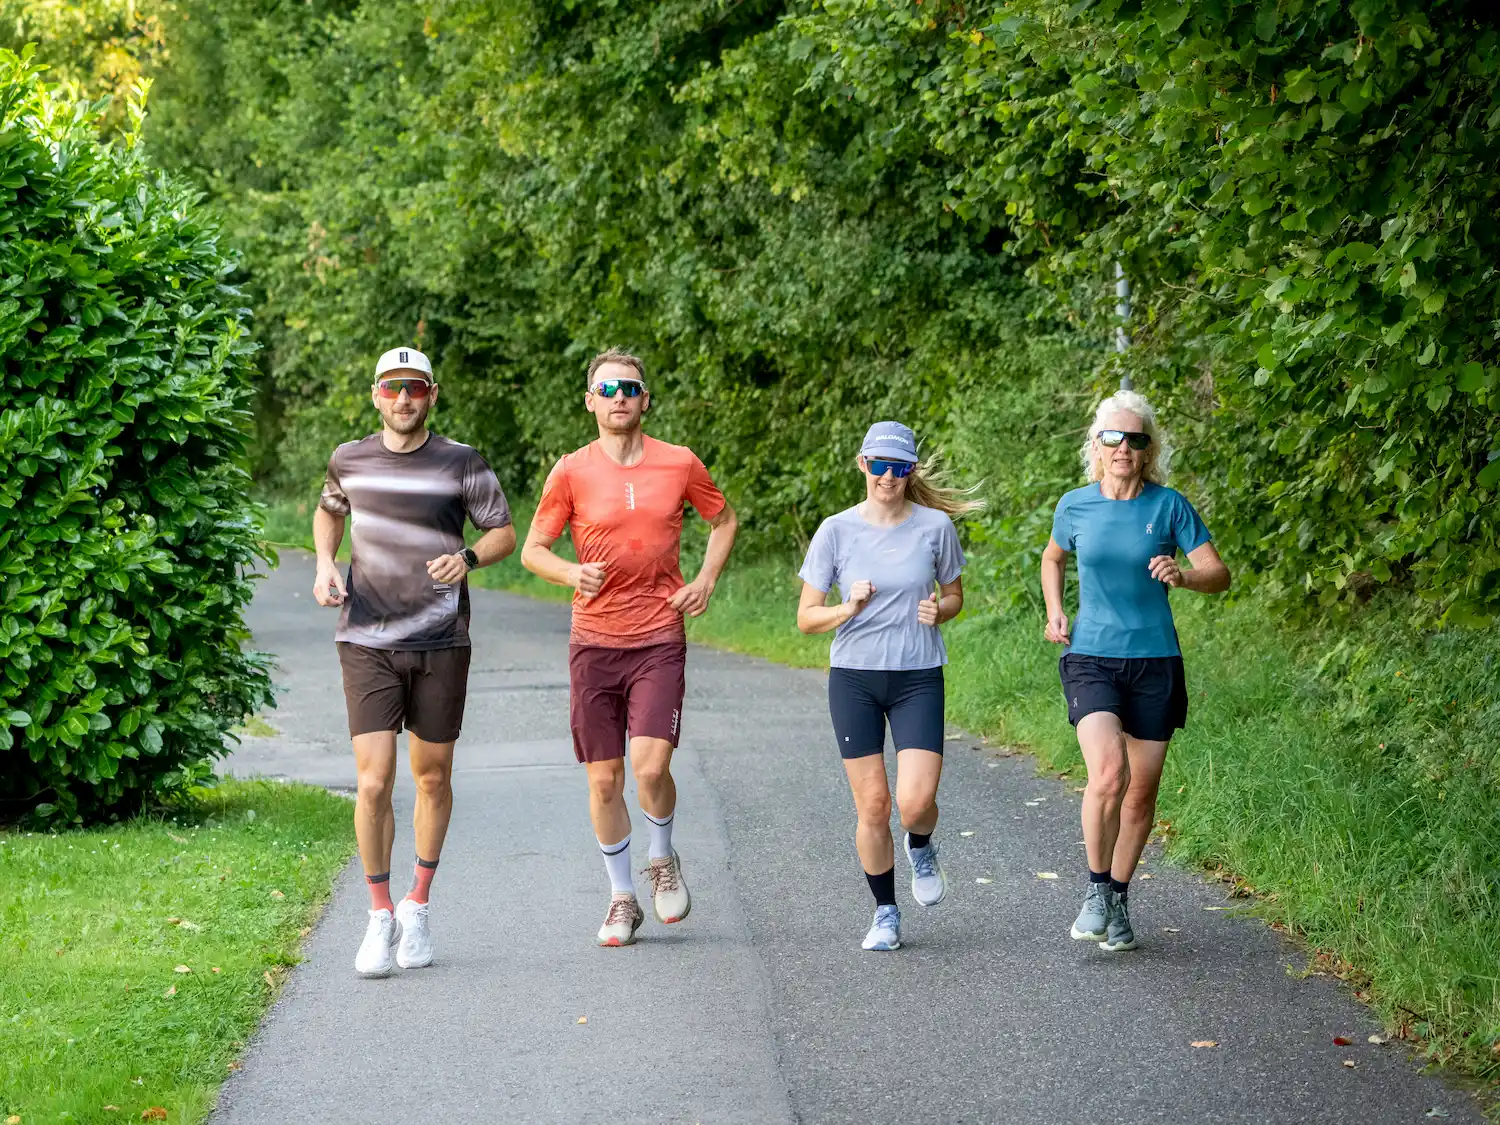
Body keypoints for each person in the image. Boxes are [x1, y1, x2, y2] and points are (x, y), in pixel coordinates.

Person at [521, 348, 738, 947]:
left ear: (645, 400)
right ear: (590, 400)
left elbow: (723, 521)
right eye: (608, 388)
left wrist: (705, 581)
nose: (620, 397)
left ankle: (662, 857)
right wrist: (571, 575)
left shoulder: (680, 464)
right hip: (593, 641)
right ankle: (622, 898)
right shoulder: (570, 471)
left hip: (658, 635)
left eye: (631, 388)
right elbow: (533, 550)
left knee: (651, 765)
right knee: (603, 780)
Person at [313, 346, 516, 977]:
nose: (404, 399)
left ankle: (418, 905)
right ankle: (378, 916)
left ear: (432, 394)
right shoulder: (349, 459)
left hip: (440, 639)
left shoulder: (462, 462)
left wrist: (470, 560)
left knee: (431, 777)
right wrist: (325, 562)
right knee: (373, 781)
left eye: (416, 389)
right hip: (366, 637)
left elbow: (502, 531)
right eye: (393, 388)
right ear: (375, 394)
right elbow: (329, 510)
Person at [1041, 389, 1230, 952]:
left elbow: (1218, 574)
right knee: (1108, 776)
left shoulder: (1169, 507)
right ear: (1096, 446)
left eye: (1136, 439)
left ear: (1149, 450)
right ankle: (1097, 888)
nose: (1124, 447)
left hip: (1155, 661)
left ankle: (1119, 898)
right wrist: (1056, 609)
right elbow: (1053, 557)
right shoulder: (1074, 504)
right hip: (1091, 657)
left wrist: (1184, 574)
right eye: (1113, 438)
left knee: (1141, 793)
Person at [796, 422, 980, 952]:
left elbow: (954, 596)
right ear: (862, 465)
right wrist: (846, 608)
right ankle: (885, 913)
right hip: (854, 678)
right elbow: (807, 618)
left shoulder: (935, 527)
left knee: (915, 801)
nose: (888, 477)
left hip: (918, 676)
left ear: (910, 471)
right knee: (874, 806)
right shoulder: (836, 530)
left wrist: (939, 609)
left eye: (899, 468)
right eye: (879, 465)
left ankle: (920, 843)